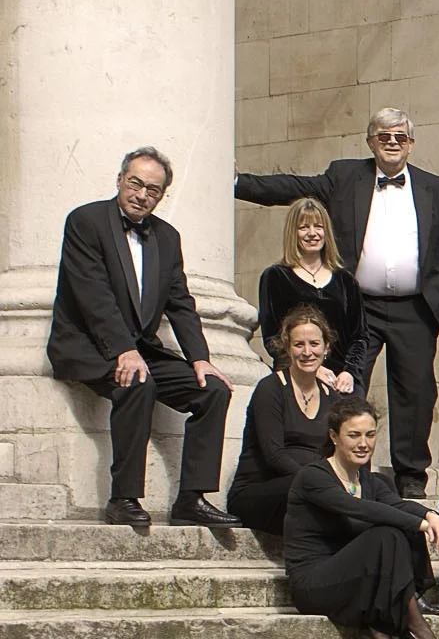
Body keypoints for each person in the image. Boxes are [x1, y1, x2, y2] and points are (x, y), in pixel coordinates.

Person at [235, 107, 439, 496]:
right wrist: (237, 182)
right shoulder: (344, 176)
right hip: (361, 305)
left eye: (400, 137)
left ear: (411, 143)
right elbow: (293, 187)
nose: (392, 143)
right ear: (370, 140)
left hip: (415, 308)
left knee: (417, 390)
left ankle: (411, 476)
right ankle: (352, 469)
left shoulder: (436, 188)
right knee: (349, 384)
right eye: (384, 136)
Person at [48, 148, 238, 528]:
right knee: (138, 381)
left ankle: (192, 500)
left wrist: (200, 357)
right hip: (87, 344)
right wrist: (124, 350)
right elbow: (93, 296)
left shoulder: (167, 237)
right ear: (120, 180)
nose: (141, 194)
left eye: (152, 189)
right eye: (135, 183)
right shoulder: (86, 221)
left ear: (161, 196)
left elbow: (180, 303)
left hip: (140, 348)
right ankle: (124, 498)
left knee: (213, 390)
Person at [282, 397, 439, 639]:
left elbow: (396, 505)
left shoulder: (370, 481)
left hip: (355, 580)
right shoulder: (313, 476)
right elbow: (357, 508)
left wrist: (433, 516)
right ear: (334, 436)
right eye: (353, 435)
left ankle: (382, 624)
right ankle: (413, 625)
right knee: (386, 533)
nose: (363, 444)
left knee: (394, 529)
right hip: (313, 584)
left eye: (370, 434)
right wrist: (422, 524)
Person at [229, 307, 337, 535]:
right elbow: (274, 455)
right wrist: (321, 484)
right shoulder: (270, 389)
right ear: (287, 347)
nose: (307, 352)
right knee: (302, 491)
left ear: (326, 347)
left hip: (314, 488)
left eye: (314, 344)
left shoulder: (332, 397)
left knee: (378, 487)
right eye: (299, 345)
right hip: (263, 490)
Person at [255, 199, 367, 394]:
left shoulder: (346, 280)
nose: (312, 233)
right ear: (293, 233)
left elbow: (359, 336)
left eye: (318, 226)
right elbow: (272, 338)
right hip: (296, 375)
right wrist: (313, 369)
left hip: (341, 380)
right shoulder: (275, 277)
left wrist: (349, 372)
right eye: (304, 227)